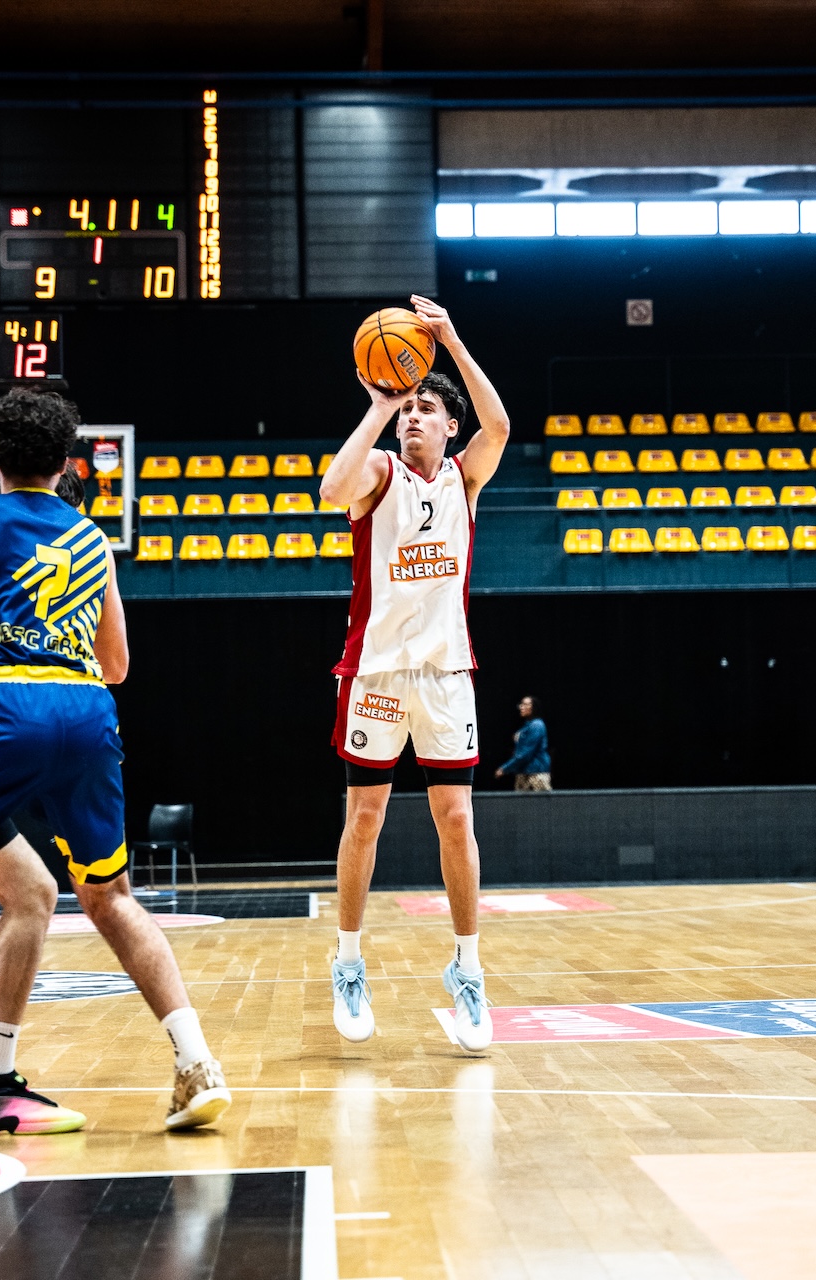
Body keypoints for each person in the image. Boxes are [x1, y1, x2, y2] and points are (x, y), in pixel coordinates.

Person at [0, 387, 230, 1134]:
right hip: (87, 713)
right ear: (65, 462)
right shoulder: (91, 538)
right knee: (69, 894)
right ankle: (193, 1061)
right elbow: (116, 662)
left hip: (0, 705)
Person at [321, 293, 510, 1053]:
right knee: (363, 817)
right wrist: (378, 404)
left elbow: (499, 426)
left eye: (425, 407)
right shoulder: (376, 474)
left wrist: (450, 343)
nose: (414, 416)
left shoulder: (465, 479)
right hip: (375, 673)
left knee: (455, 818)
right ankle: (347, 960)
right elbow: (331, 489)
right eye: (409, 409)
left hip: (444, 673)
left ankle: (466, 968)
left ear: (449, 425)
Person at [495, 697, 552, 791]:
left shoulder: (536, 725)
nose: (521, 707)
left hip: (535, 774)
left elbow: (525, 753)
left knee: (537, 804)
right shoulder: (527, 726)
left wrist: (505, 768)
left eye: (525, 704)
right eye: (521, 704)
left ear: (534, 707)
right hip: (523, 772)